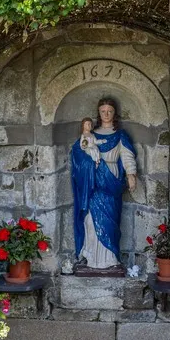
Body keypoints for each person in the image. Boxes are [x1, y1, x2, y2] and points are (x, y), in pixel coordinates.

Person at [71, 98, 137, 270]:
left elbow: (127, 155)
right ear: (98, 113)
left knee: (111, 219)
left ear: (114, 113)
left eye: (110, 111)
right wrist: (88, 162)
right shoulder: (90, 135)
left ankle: (110, 258)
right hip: (93, 179)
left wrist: (131, 175)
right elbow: (78, 154)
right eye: (103, 111)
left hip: (112, 178)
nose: (106, 114)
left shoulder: (120, 135)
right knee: (91, 220)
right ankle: (92, 255)